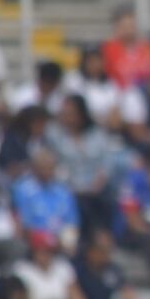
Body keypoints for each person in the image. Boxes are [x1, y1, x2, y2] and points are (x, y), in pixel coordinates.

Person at [47, 94, 115, 236]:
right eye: (64, 114)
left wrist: (98, 183)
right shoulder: (55, 135)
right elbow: (54, 165)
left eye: (71, 114)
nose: (67, 118)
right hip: (69, 188)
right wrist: (72, 186)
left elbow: (107, 162)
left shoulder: (97, 134)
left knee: (106, 202)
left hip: (96, 189)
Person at [101, 5, 150, 90]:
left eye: (132, 25)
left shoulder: (148, 47)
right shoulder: (108, 49)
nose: (129, 30)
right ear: (117, 27)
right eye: (125, 26)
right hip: (119, 93)